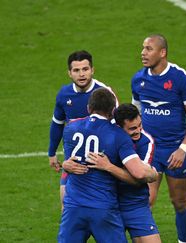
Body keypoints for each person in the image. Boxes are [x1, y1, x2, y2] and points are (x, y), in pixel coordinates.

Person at [58, 88, 158, 243]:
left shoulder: (71, 127)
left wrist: (65, 164)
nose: (138, 131)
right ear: (112, 112)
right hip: (103, 206)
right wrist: (154, 174)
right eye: (133, 128)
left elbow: (72, 160)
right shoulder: (118, 136)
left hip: (75, 206)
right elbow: (139, 174)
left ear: (89, 108)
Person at [131, 34, 186, 243]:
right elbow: (136, 114)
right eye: (143, 48)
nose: (143, 53)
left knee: (179, 202)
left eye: (149, 48)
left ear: (162, 53)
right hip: (149, 150)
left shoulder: (181, 79)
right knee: (146, 201)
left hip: (175, 151)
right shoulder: (138, 79)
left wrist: (183, 149)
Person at [48, 50, 117, 211]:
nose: (81, 74)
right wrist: (52, 153)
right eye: (76, 70)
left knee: (104, 210)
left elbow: (116, 128)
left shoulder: (105, 94)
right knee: (66, 206)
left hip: (98, 163)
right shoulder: (64, 94)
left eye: (85, 69)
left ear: (92, 70)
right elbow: (57, 123)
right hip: (73, 162)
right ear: (69, 73)